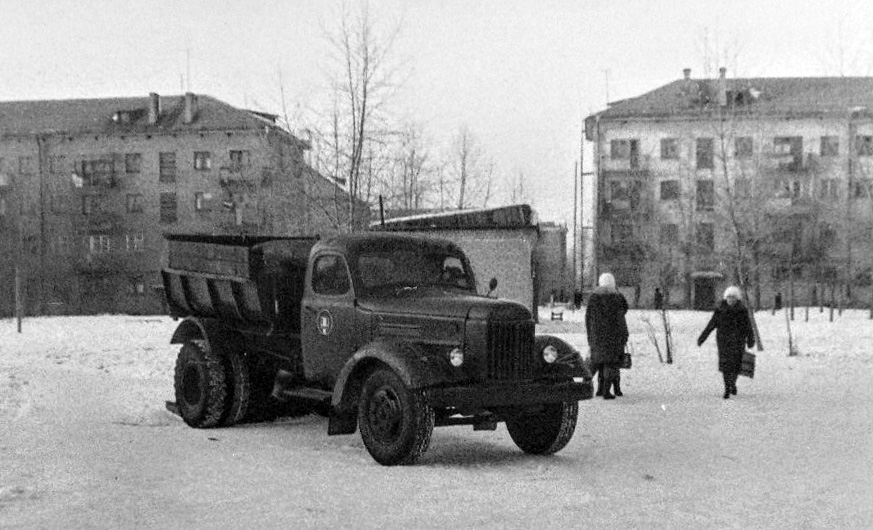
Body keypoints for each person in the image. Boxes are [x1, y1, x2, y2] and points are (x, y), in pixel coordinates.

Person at [697, 285, 755, 399]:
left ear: (737, 299)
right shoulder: (720, 311)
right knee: (725, 366)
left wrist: (750, 340)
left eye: (733, 297)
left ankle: (732, 383)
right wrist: (702, 338)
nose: (730, 300)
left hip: (738, 342)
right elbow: (711, 325)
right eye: (729, 297)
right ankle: (727, 388)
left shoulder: (742, 311)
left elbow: (748, 327)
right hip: (724, 342)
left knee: (736, 365)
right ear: (725, 298)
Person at [585, 272, 629, 400]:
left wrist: (590, 335)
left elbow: (588, 318)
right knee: (610, 363)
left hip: (596, 336)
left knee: (596, 362)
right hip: (613, 336)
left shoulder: (593, 298)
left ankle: (586, 385)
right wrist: (624, 335)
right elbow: (621, 318)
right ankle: (606, 391)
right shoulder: (617, 298)